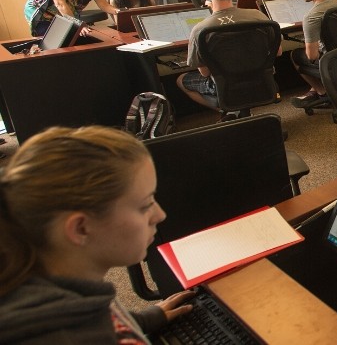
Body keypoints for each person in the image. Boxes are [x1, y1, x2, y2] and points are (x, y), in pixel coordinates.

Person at [0, 126, 194, 343]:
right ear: (80, 228)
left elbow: (99, 320)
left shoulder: (34, 278)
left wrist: (141, 320)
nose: (160, 215)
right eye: (145, 205)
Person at [176, 0, 277, 111]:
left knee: (181, 80)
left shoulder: (201, 30)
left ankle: (227, 110)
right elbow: (277, 52)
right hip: (261, 80)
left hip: (224, 85)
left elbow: (204, 73)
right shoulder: (258, 16)